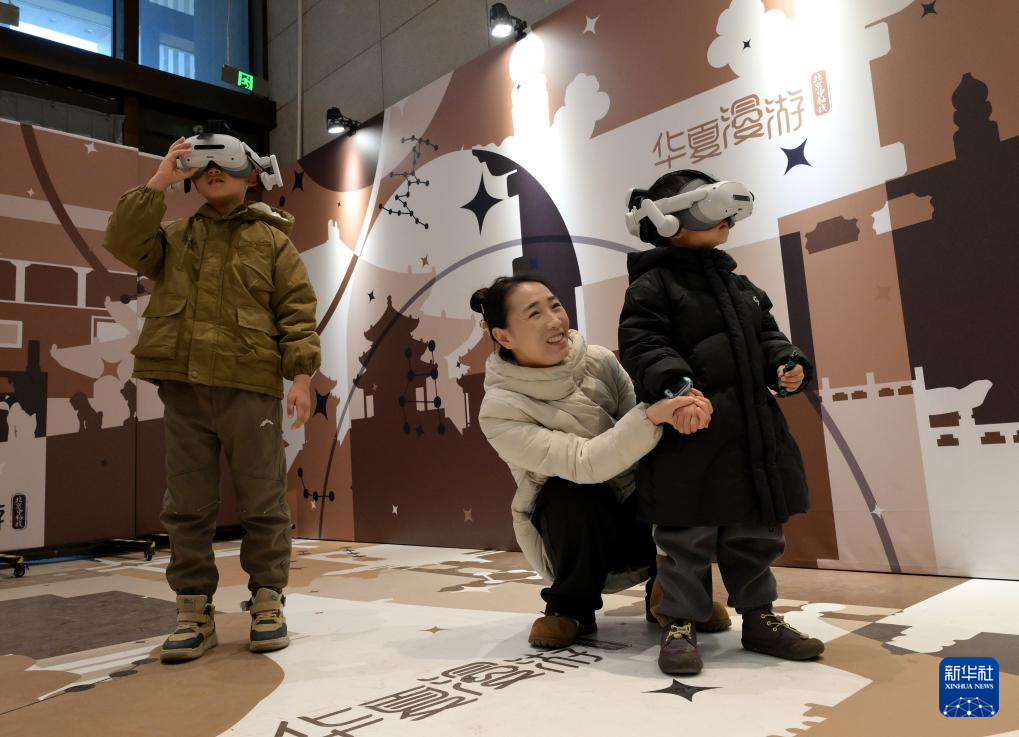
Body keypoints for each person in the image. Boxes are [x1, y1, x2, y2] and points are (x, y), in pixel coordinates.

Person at [103, 132, 320, 662]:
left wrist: (301, 379)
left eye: (226, 162)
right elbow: (123, 240)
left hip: (250, 387)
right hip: (185, 389)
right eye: (202, 166)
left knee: (264, 500)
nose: (213, 171)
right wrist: (159, 181)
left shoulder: (273, 242)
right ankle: (193, 611)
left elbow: (297, 311)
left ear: (253, 174)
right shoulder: (174, 239)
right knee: (186, 506)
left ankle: (267, 600)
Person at [619, 169, 825, 675]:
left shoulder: (740, 287)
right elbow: (644, 345)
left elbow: (768, 336)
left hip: (751, 437)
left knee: (754, 535)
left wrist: (785, 363)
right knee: (686, 541)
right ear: (667, 221)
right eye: (708, 208)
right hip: (689, 439)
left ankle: (760, 617)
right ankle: (678, 624)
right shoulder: (652, 286)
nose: (726, 219)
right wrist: (676, 386)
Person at [472, 273, 729, 649]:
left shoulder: (600, 361)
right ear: (504, 337)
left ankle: (675, 593)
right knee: (568, 493)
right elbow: (583, 462)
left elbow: (644, 435)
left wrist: (679, 409)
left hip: (636, 508)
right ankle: (570, 607)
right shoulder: (499, 409)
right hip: (577, 529)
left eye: (555, 306)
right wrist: (653, 416)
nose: (554, 320)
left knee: (673, 464)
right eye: (534, 314)